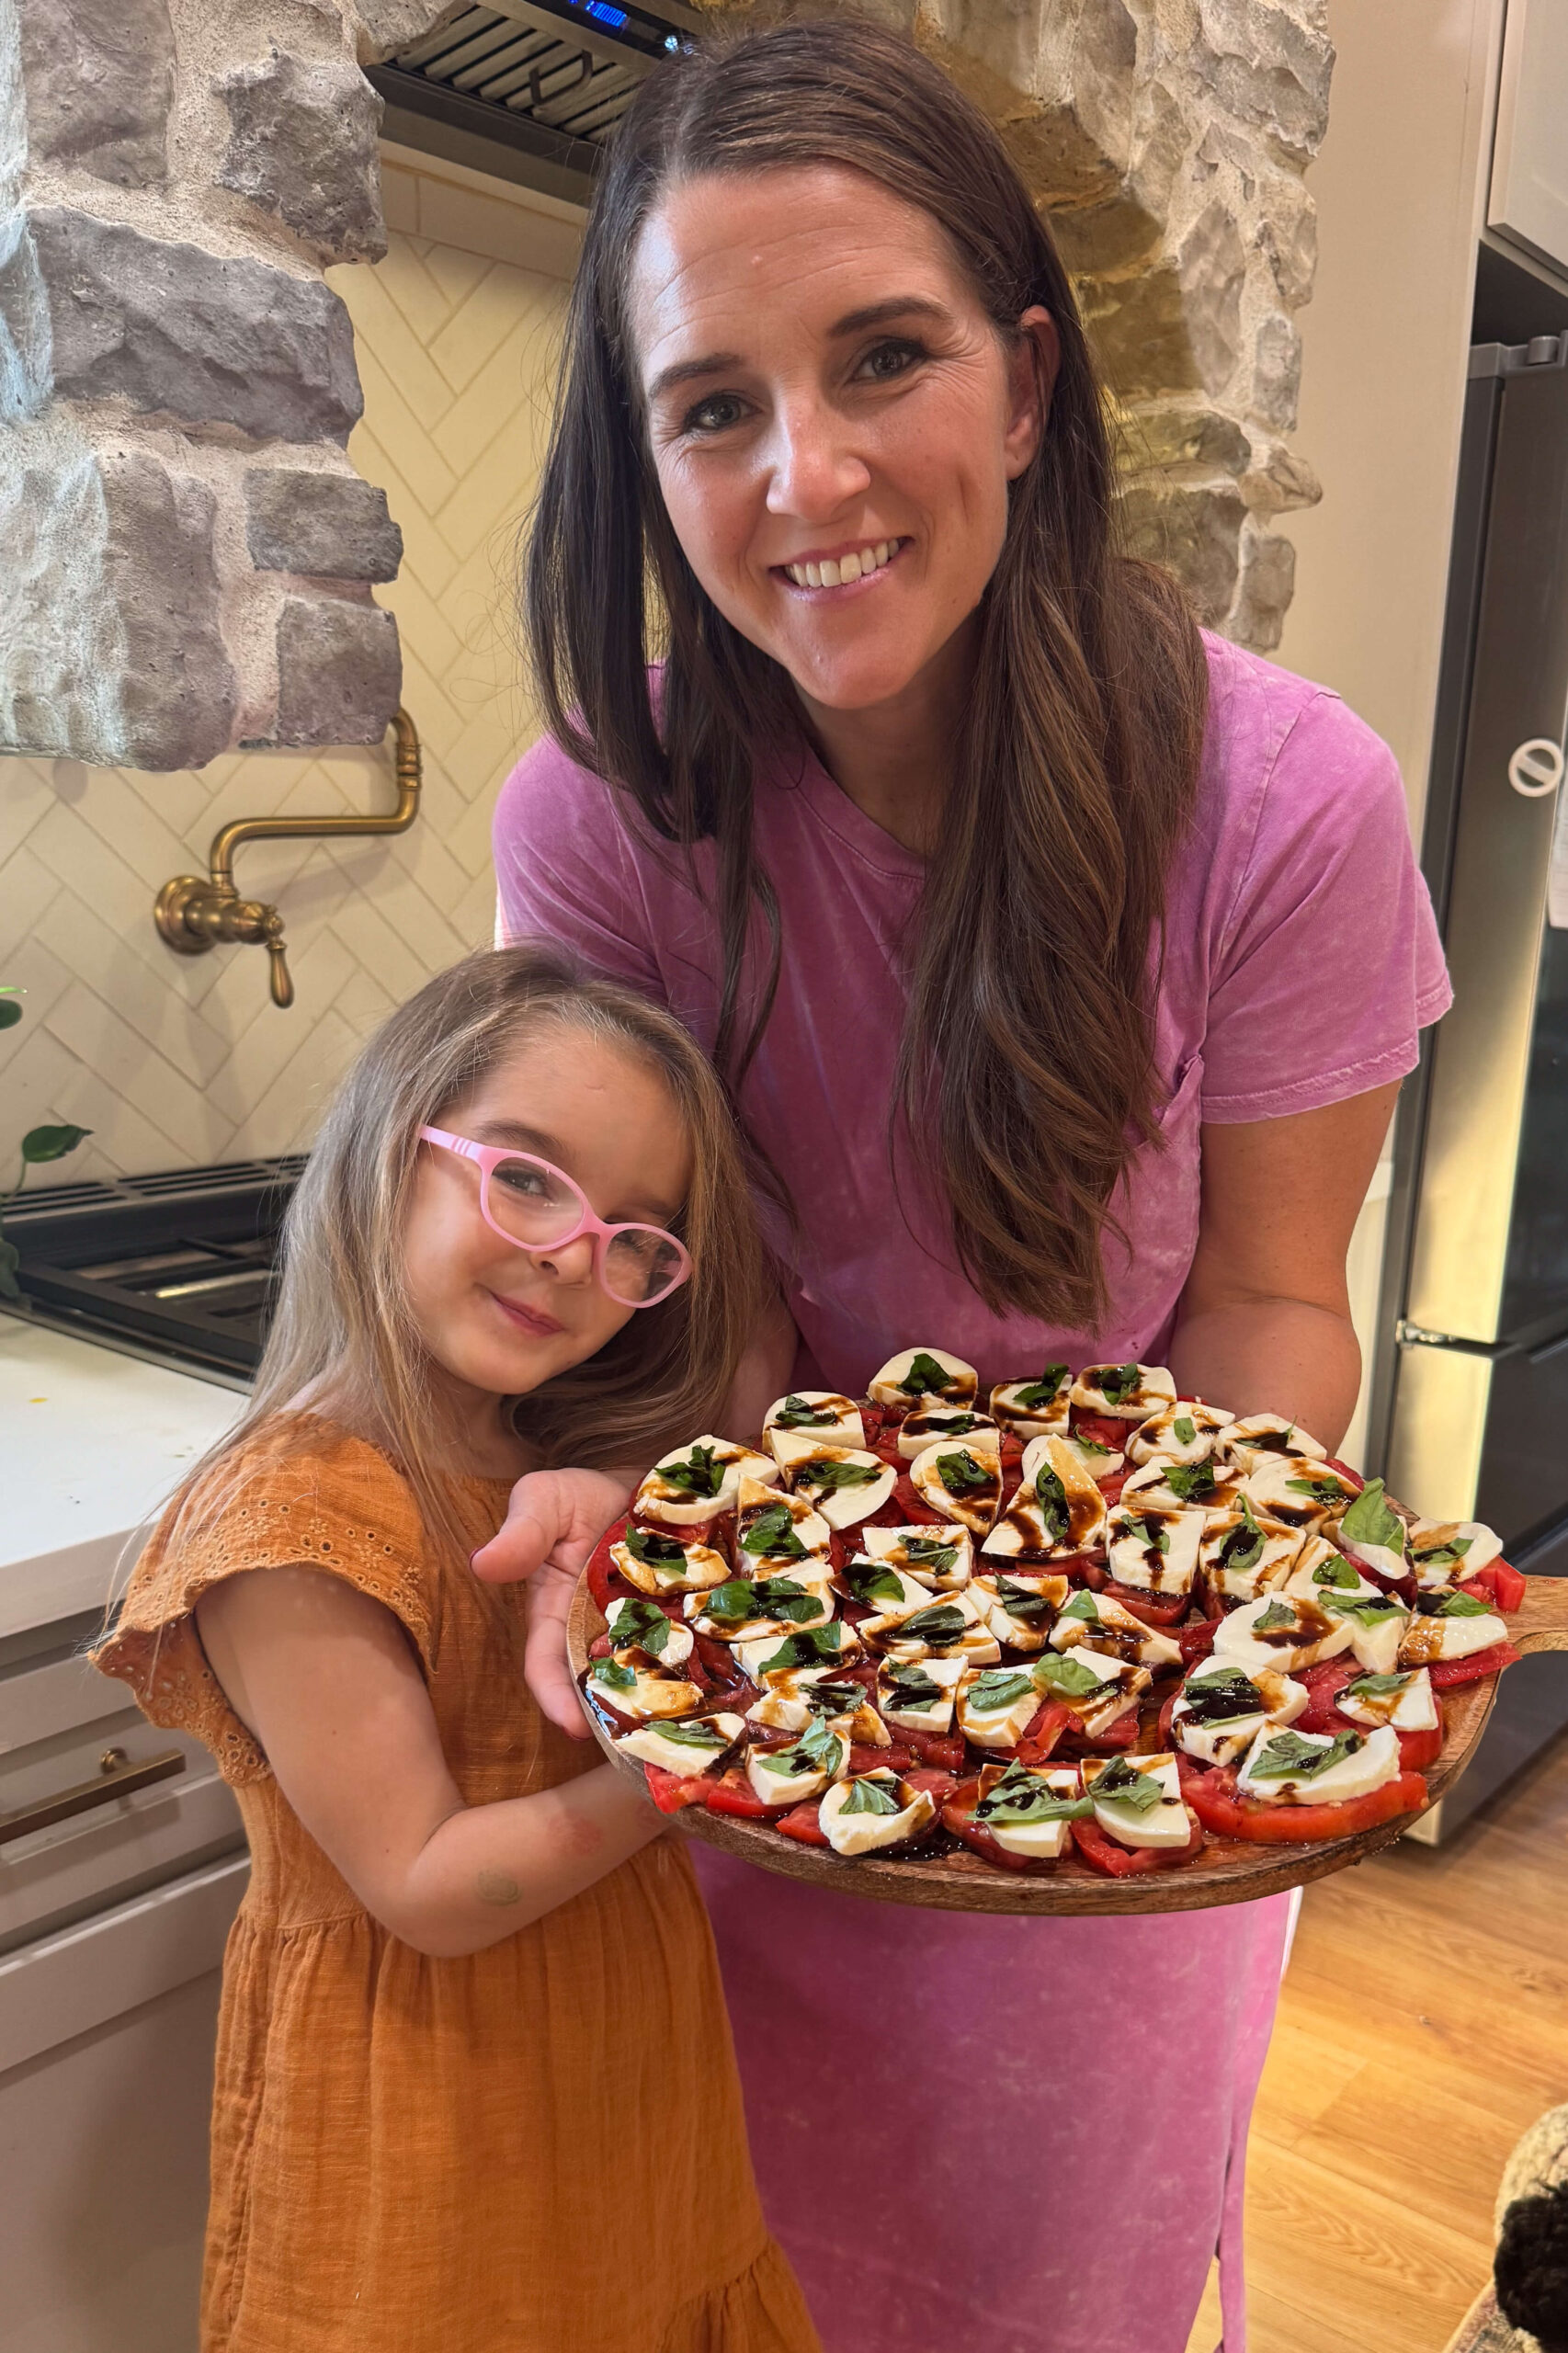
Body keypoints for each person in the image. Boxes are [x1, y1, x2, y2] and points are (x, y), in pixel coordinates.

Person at [480, 19, 1452, 2351]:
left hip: (1100, 1749)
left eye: (881, 356)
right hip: (735, 1718)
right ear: (643, 458)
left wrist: (1132, 1652)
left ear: (1024, 386)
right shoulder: (595, 824)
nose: (805, 472)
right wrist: (606, 1482)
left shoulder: (1283, 802)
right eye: (711, 402)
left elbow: (1266, 1308)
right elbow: (660, 1308)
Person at [92, 948, 821, 2353]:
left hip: (621, 2060)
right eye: (526, 1175)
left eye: (634, 1237)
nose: (568, 1254)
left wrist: (632, 1509)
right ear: (387, 1150)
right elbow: (428, 1888)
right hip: (423, 2109)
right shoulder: (293, 1519)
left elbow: (752, 1363)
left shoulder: (545, 1456)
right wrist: (701, 1760)